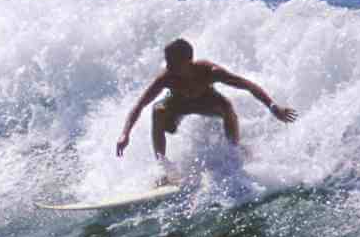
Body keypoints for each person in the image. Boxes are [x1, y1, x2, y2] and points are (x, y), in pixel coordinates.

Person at [115, 39, 298, 179]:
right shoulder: (167, 78)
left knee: (227, 107)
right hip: (177, 104)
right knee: (157, 110)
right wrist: (125, 133)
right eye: (167, 60)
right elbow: (139, 105)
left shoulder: (209, 71)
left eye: (172, 61)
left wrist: (273, 107)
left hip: (206, 101)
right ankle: (164, 168)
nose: (168, 65)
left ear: (188, 60)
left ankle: (233, 153)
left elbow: (247, 85)